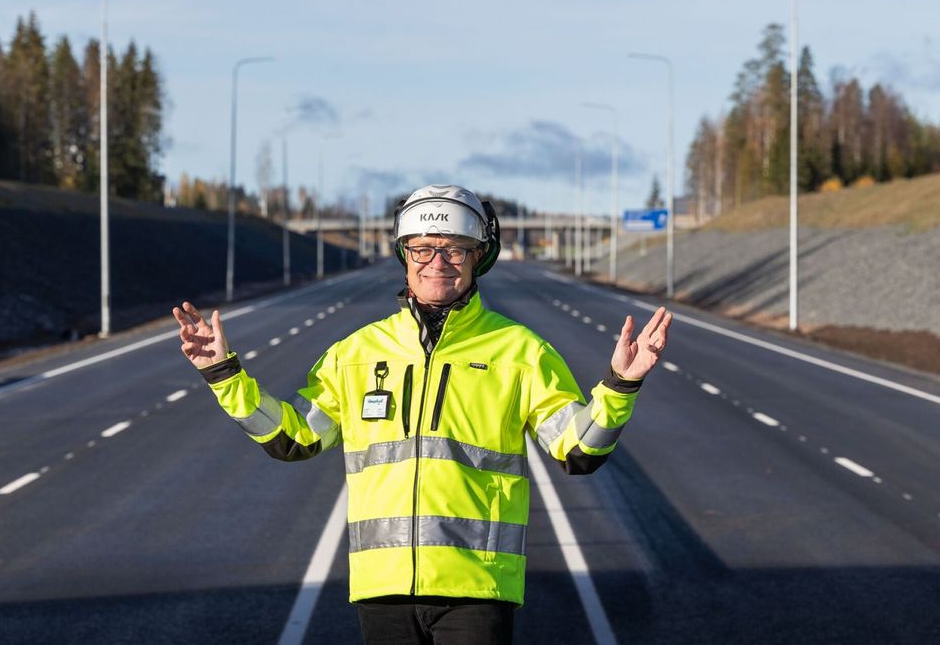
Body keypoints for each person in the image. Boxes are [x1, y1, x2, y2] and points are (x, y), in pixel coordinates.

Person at [173, 184, 672, 644]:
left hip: (477, 586)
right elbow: (295, 438)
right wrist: (225, 375)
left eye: (454, 248)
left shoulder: (521, 351)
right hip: (381, 586)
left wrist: (620, 385)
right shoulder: (356, 351)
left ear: (479, 257)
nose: (438, 261)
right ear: (404, 256)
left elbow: (579, 450)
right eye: (423, 248)